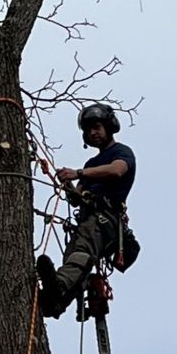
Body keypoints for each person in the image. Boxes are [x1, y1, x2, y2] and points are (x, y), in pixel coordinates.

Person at [36, 103, 136, 318]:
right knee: (73, 258)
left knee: (82, 253)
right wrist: (67, 183)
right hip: (87, 220)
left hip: (104, 220)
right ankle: (57, 302)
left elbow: (117, 171)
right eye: (89, 130)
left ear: (108, 127)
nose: (93, 133)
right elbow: (76, 199)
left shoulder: (121, 152)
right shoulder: (91, 162)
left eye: (97, 127)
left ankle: (59, 286)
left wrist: (79, 173)